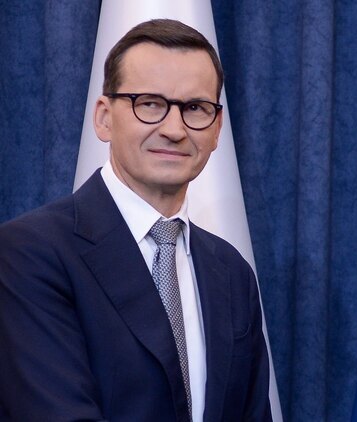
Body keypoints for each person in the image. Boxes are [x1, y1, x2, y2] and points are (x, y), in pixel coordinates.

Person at [0, 19, 271, 421]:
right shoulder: (29, 253)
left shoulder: (232, 273)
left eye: (195, 108)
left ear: (216, 129)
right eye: (150, 104)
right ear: (104, 118)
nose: (175, 129)